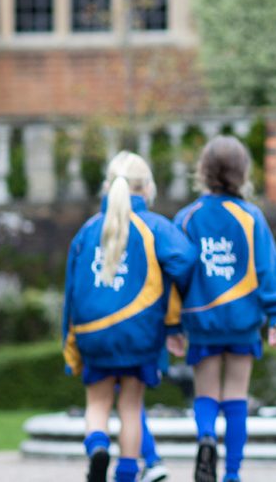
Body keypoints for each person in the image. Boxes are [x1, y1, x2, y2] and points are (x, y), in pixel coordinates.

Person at [63, 152, 194, 482]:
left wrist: (70, 340)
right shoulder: (154, 227)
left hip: (92, 332)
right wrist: (174, 317)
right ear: (147, 188)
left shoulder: (88, 230)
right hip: (140, 332)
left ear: (106, 187)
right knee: (131, 407)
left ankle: (97, 449)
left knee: (97, 403)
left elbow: (71, 290)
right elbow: (186, 260)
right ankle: (126, 474)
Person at [172, 136, 276, 482]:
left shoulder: (187, 218)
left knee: (205, 392)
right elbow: (268, 269)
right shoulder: (251, 217)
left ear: (203, 172)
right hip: (242, 322)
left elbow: (174, 273)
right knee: (237, 395)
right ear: (243, 173)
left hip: (202, 323)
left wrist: (172, 324)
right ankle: (233, 473)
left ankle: (206, 437)